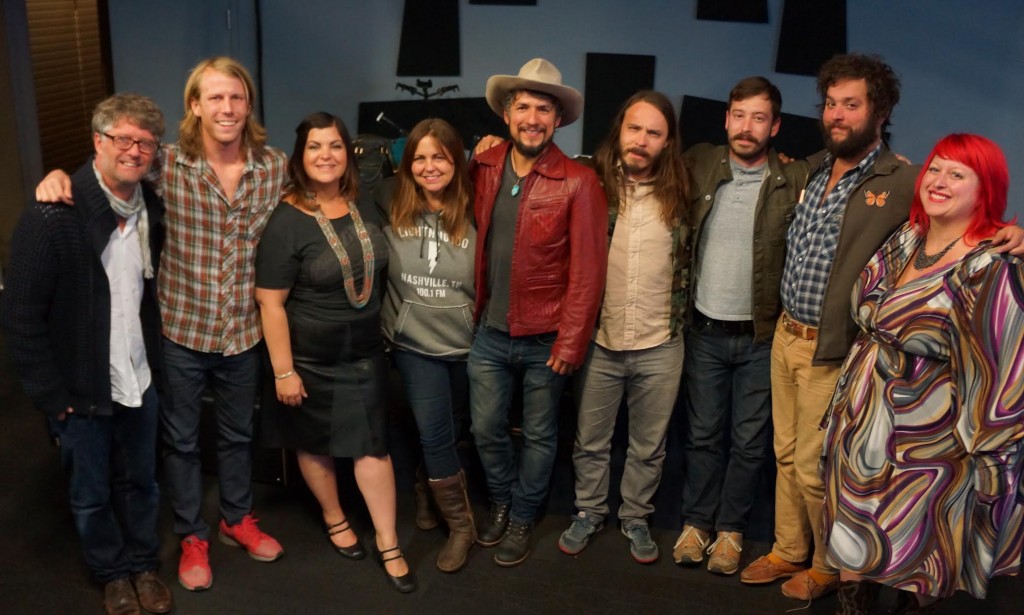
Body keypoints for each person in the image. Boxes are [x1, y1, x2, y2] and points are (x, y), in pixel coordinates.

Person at [737, 54, 1024, 602]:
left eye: (851, 104)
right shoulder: (813, 168)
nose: (837, 114)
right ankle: (789, 548)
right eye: (830, 104)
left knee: (819, 469)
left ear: (880, 110)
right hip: (789, 341)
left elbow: (971, 219)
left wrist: (1017, 235)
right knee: (787, 455)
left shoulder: (903, 178)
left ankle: (826, 565)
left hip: (844, 355)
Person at [35, 56, 287, 592]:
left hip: (244, 329)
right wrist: (57, 173)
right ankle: (192, 533)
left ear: (248, 105)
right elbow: (106, 167)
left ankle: (236, 518)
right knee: (182, 441)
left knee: (241, 435)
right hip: (180, 331)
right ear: (194, 106)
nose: (227, 107)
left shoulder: (274, 168)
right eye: (214, 97)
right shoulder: (165, 164)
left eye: (236, 97)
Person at [822, 133, 1024, 613]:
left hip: (932, 441)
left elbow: (1005, 372)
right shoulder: (906, 237)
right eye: (935, 168)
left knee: (920, 549)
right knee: (853, 533)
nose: (939, 181)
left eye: (958, 174)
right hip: (861, 421)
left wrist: (991, 458)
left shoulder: (990, 266)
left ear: (986, 189)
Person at [1, 93, 174, 615]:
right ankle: (112, 574)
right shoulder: (54, 217)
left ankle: (143, 564)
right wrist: (51, 398)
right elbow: (20, 316)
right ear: (97, 142)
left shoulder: (150, 209)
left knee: (142, 483)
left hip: (138, 379)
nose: (135, 150)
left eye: (145, 143)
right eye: (123, 138)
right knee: (91, 493)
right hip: (79, 391)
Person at [254, 112, 414, 593]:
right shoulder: (286, 220)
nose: (326, 156)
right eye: (315, 147)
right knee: (315, 442)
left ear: (350, 154)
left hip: (364, 352)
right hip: (307, 360)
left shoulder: (368, 203)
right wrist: (284, 372)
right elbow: (270, 302)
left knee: (372, 445)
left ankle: (388, 541)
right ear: (300, 158)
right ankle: (334, 516)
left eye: (335, 146)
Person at [470, 58, 608, 567]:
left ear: (557, 119)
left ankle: (524, 515)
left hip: (546, 338)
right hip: (488, 331)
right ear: (507, 115)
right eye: (523, 106)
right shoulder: (483, 166)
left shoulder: (579, 182)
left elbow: (589, 271)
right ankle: (502, 502)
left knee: (541, 435)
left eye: (543, 109)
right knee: (485, 428)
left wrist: (572, 342)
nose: (533, 117)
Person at [673, 77, 807, 576]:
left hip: (760, 338)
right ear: (726, 118)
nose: (746, 127)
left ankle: (730, 531)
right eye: (738, 114)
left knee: (750, 443)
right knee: (704, 436)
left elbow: (855, 180)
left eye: (758, 117)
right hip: (704, 331)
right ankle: (695, 525)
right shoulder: (699, 164)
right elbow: (626, 165)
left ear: (774, 126)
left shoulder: (795, 179)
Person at [556, 91, 690, 564]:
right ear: (619, 130)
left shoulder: (684, 190)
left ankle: (635, 516)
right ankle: (589, 511)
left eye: (654, 133)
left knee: (648, 446)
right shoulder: (587, 182)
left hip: (660, 342)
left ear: (667, 141)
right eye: (635, 129)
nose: (641, 140)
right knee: (590, 441)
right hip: (600, 340)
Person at [377, 118, 478, 573]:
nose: (429, 166)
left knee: (453, 431)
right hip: (414, 344)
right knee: (436, 433)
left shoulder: (479, 207)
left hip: (467, 344)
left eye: (440, 156)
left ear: (457, 160)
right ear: (406, 162)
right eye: (419, 157)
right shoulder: (388, 201)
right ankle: (461, 526)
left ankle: (424, 488)